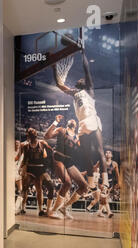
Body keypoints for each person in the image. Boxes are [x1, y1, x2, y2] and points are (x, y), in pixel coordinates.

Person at [53, 51, 109, 195]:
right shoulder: (74, 93)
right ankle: (92, 183)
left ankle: (105, 180)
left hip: (92, 119)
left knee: (99, 151)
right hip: (82, 123)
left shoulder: (89, 90)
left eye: (81, 79)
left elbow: (87, 70)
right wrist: (54, 66)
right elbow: (60, 86)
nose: (80, 79)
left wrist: (83, 52)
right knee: (86, 155)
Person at [44, 115, 89, 220]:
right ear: (68, 123)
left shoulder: (78, 137)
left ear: (76, 125)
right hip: (58, 157)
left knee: (84, 186)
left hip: (69, 161)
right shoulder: (61, 130)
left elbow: (84, 151)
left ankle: (64, 207)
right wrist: (55, 122)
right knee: (68, 183)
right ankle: (53, 211)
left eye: (75, 120)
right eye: (71, 119)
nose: (73, 120)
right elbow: (47, 136)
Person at [19, 128, 55, 218]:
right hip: (30, 169)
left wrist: (53, 164)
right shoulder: (25, 146)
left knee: (42, 189)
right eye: (30, 134)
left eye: (33, 134)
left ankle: (41, 210)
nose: (32, 136)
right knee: (25, 188)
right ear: (29, 136)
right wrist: (20, 168)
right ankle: (22, 207)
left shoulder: (42, 143)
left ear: (35, 135)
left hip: (40, 168)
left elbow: (52, 151)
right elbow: (24, 159)